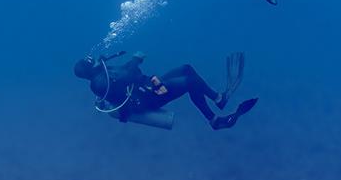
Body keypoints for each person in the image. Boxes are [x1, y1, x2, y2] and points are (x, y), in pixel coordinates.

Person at [73, 50, 257, 130]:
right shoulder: (99, 82)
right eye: (93, 62)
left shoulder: (103, 74)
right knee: (191, 81)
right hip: (146, 99)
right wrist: (136, 60)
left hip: (146, 87)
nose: (97, 61)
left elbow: (124, 73)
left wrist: (134, 63)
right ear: (89, 70)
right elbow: (127, 76)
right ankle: (214, 119)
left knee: (186, 68)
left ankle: (218, 99)